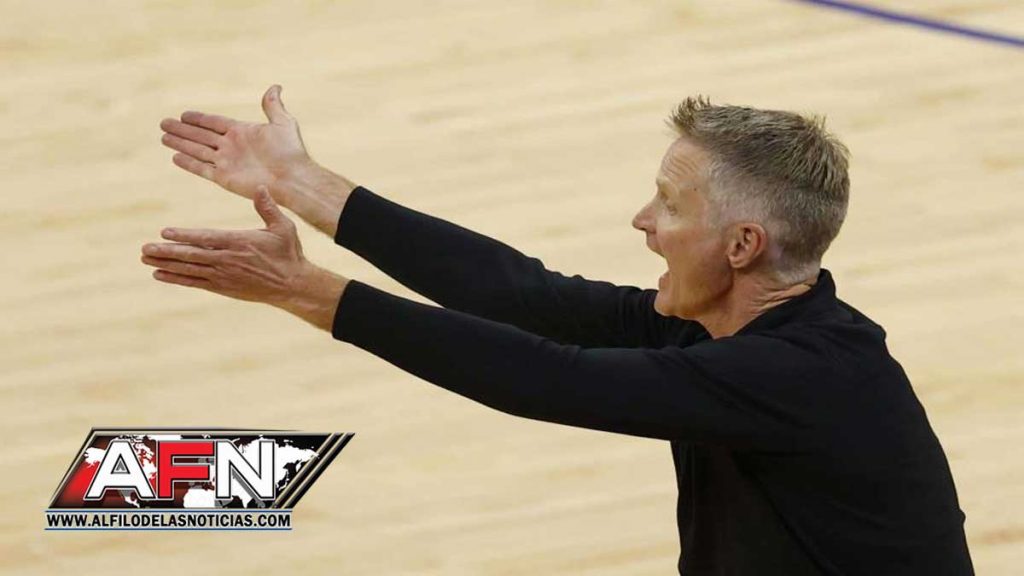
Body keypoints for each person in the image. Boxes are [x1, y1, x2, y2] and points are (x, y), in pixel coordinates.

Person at [144, 85, 974, 575]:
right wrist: (300, 182)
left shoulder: (806, 376)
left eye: (670, 205)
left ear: (742, 245)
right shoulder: (715, 328)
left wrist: (307, 291)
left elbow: (548, 377)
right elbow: (522, 296)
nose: (643, 221)